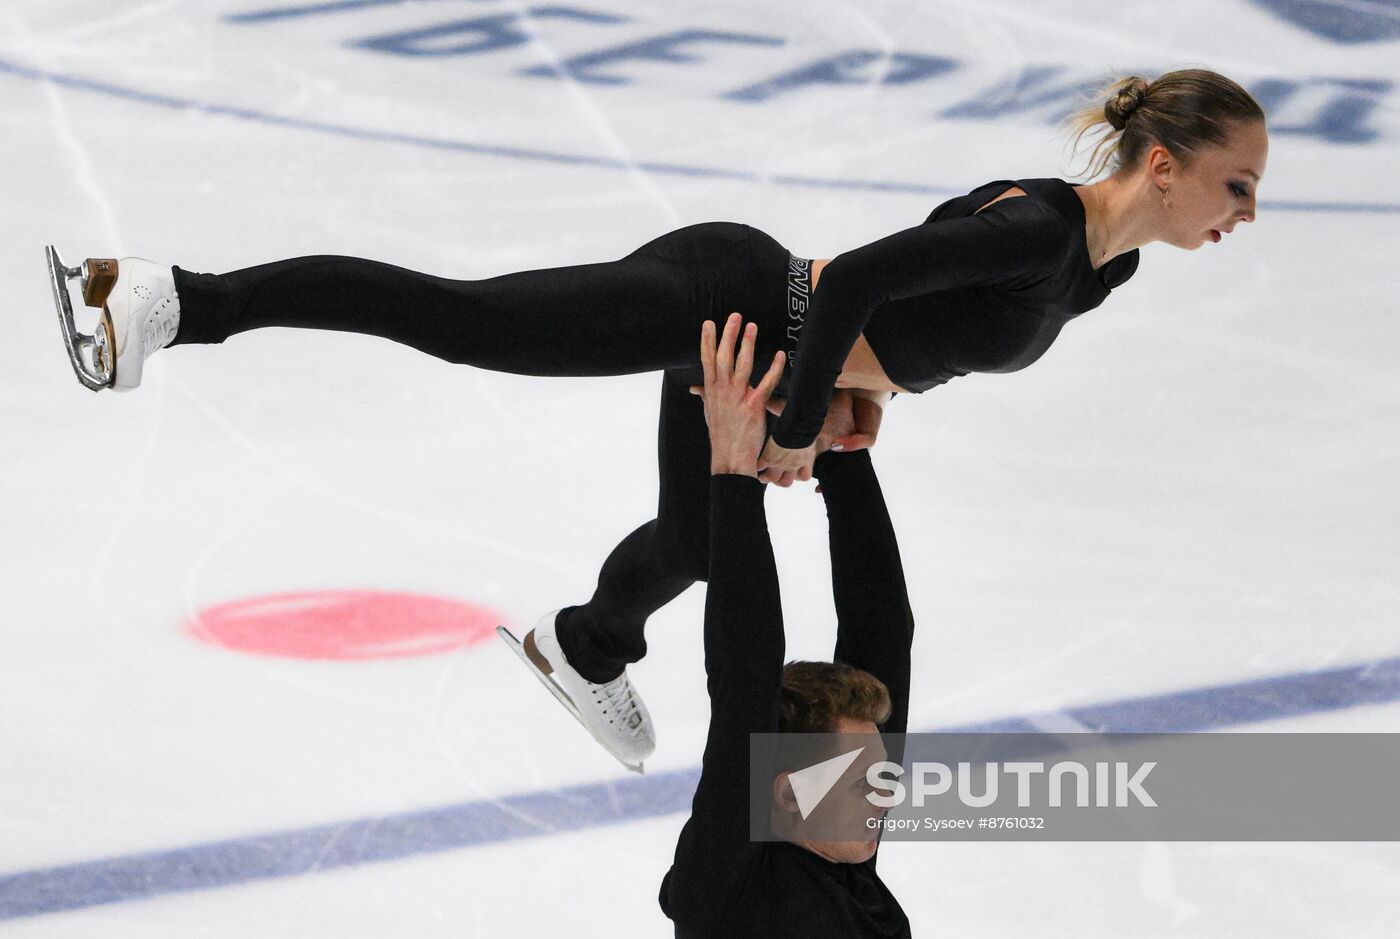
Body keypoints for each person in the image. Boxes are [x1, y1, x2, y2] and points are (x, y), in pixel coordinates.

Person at [47, 69, 1267, 767]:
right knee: (461, 318)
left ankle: (583, 646)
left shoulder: (1101, 271)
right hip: (731, 302)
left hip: (767, 351)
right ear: (1162, 164)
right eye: (1235, 185)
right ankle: (159, 298)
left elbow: (912, 317)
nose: (1242, 211)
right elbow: (852, 279)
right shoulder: (1042, 227)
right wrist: (794, 413)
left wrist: (862, 393)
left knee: (696, 541)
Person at [659, 314, 913, 936]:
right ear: (787, 794)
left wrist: (843, 451)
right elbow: (743, 674)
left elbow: (883, 630)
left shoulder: (847, 855)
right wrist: (732, 473)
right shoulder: (729, 887)